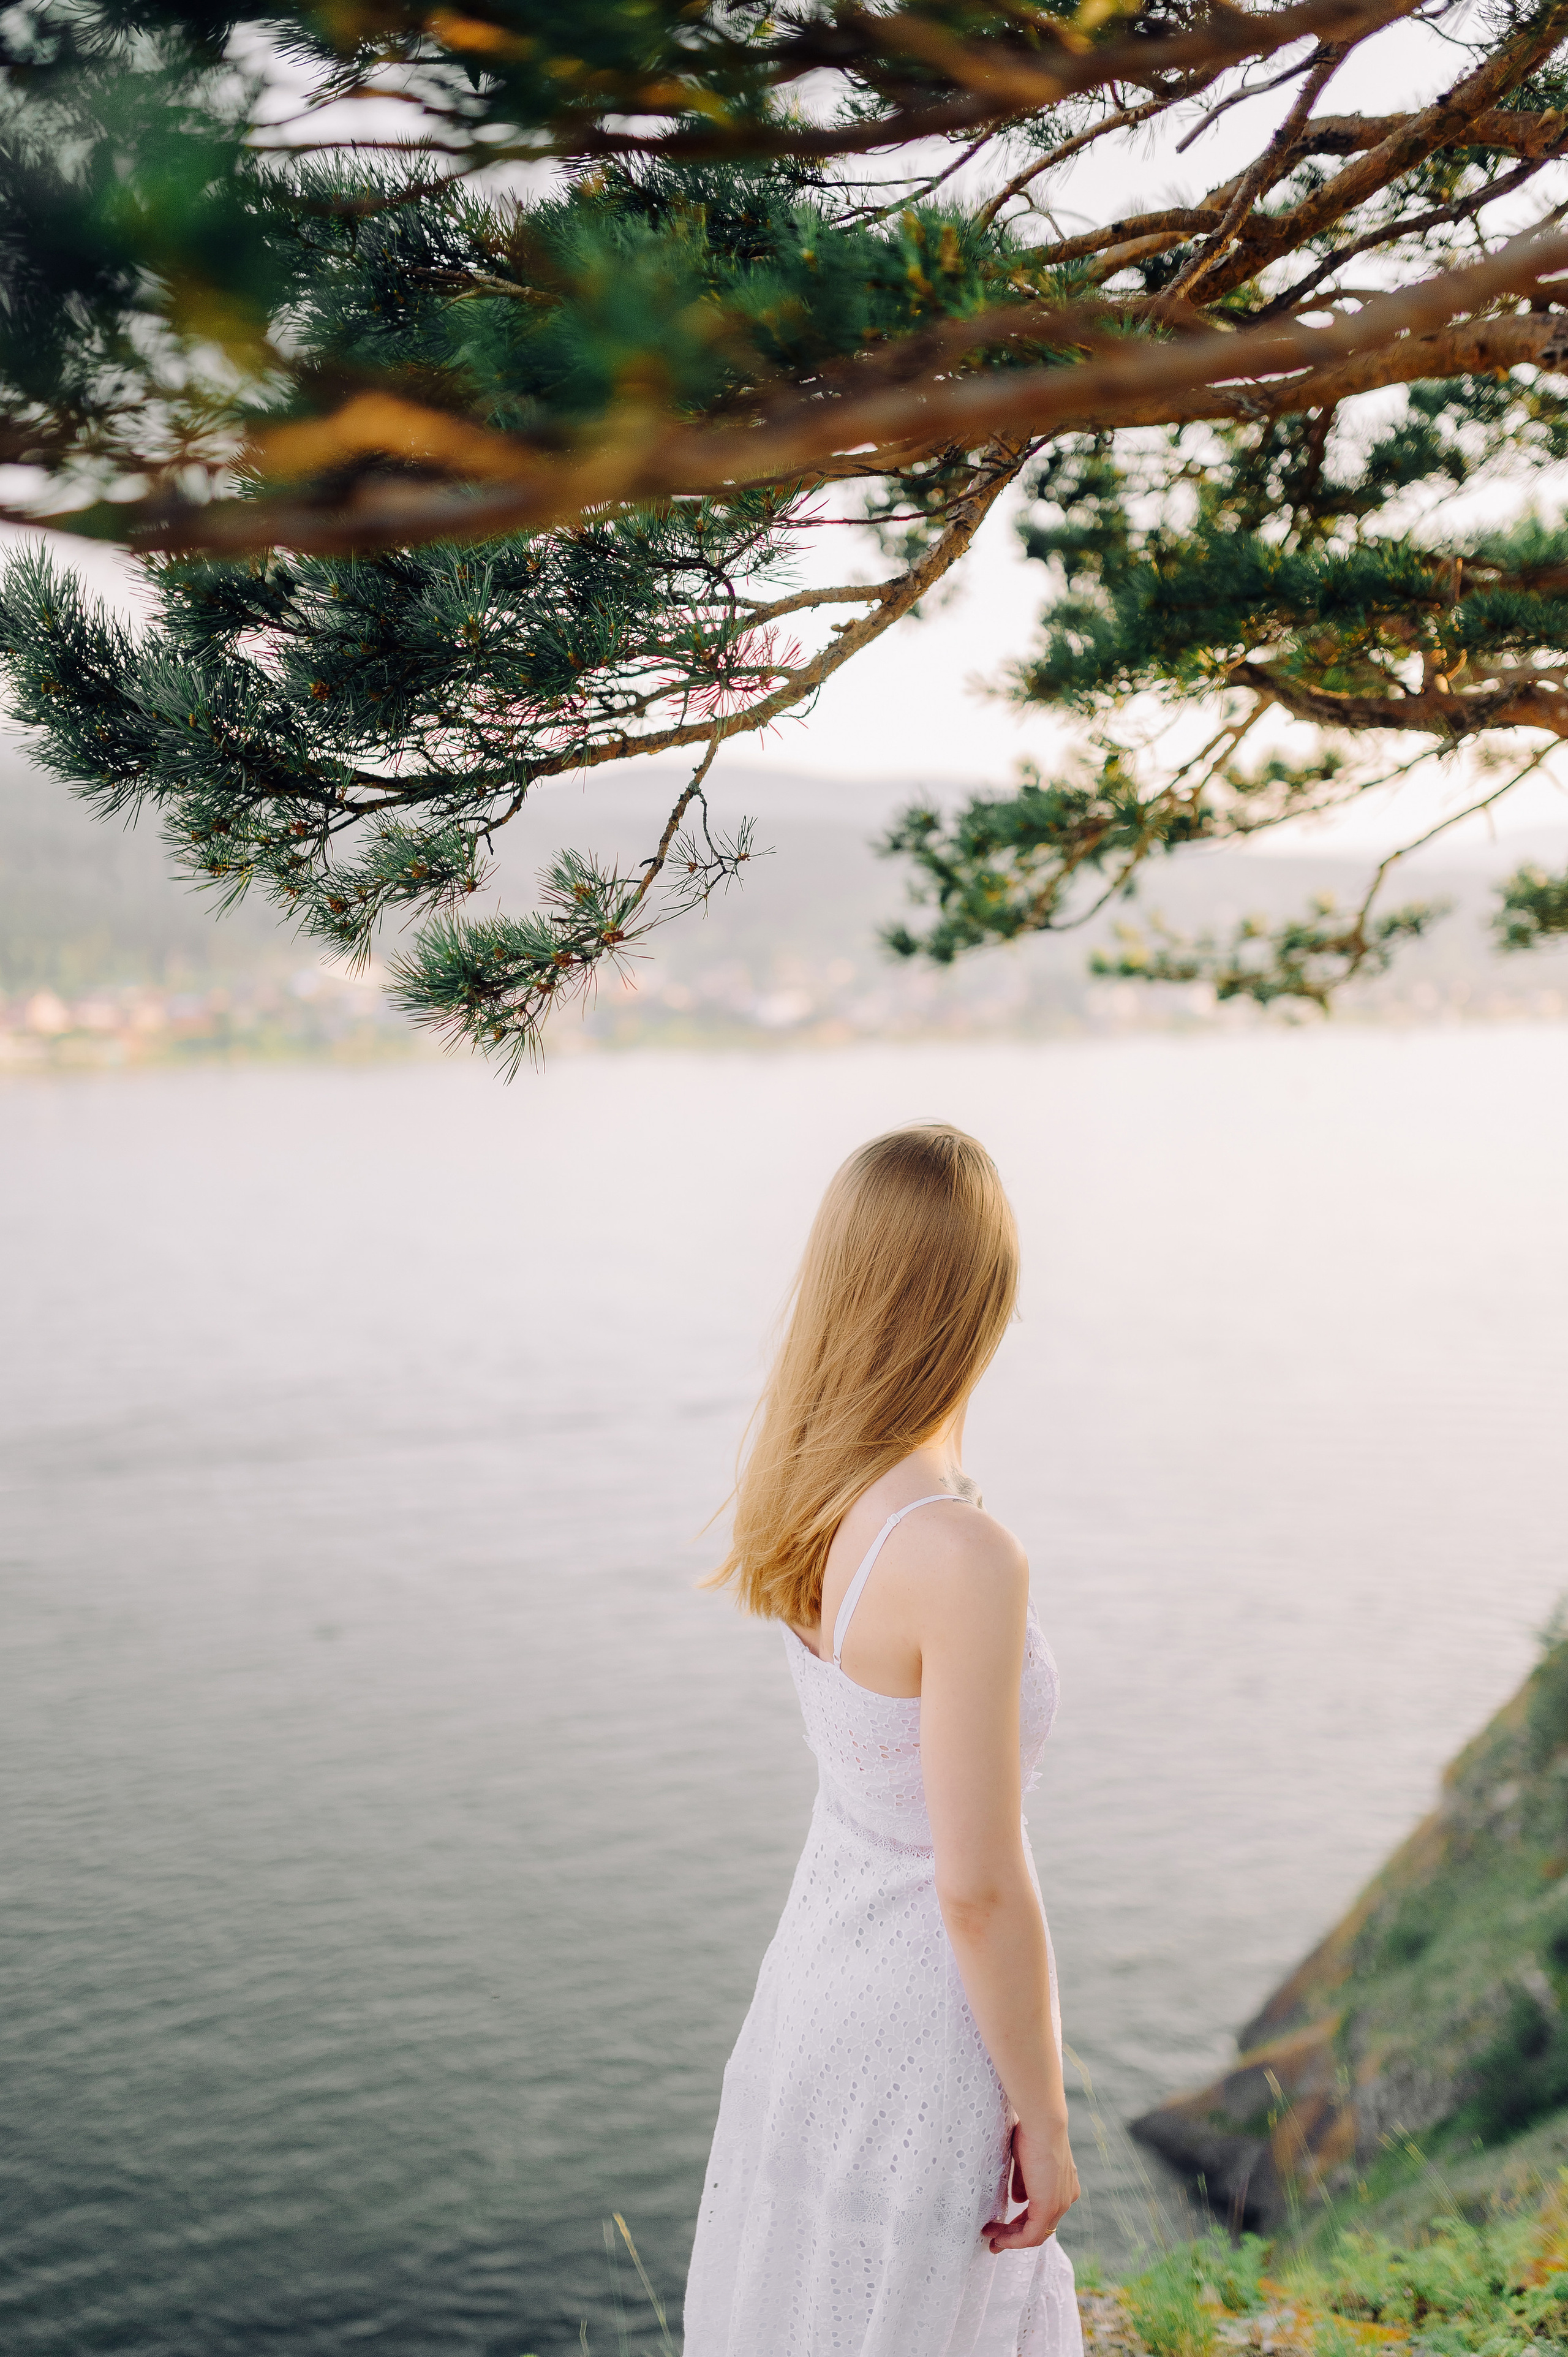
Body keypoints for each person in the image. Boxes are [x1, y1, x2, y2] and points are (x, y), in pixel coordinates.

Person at [684, 1123, 1082, 2357]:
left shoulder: (810, 1495)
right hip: (917, 2020)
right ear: (982, 1300)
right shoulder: (960, 1554)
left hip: (812, 1986)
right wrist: (1047, 2112)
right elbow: (972, 1884)